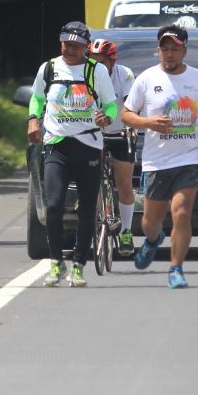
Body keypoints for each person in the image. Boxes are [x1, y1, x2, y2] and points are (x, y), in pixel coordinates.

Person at [121, 25, 198, 289]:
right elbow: (126, 115)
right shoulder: (146, 79)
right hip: (156, 161)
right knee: (149, 222)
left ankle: (176, 269)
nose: (169, 54)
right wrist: (148, 122)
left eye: (175, 49)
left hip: (188, 157)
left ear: (184, 51)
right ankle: (153, 240)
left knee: (182, 212)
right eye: (165, 49)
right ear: (158, 51)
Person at [27, 21, 117, 287]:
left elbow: (111, 106)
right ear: (61, 43)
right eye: (66, 44)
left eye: (76, 46)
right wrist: (33, 119)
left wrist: (106, 118)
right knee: (53, 206)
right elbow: (37, 98)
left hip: (88, 144)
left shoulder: (96, 71)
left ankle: (78, 264)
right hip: (57, 144)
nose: (70, 50)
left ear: (86, 47)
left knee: (87, 208)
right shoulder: (50, 68)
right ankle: (56, 263)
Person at [87, 38, 137, 256]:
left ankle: (126, 231)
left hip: (119, 131)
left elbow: (130, 104)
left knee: (124, 182)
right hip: (90, 132)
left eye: (101, 62)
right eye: (92, 61)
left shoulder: (124, 74)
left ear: (112, 61)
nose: (96, 66)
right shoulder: (83, 74)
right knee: (84, 174)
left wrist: (131, 125)